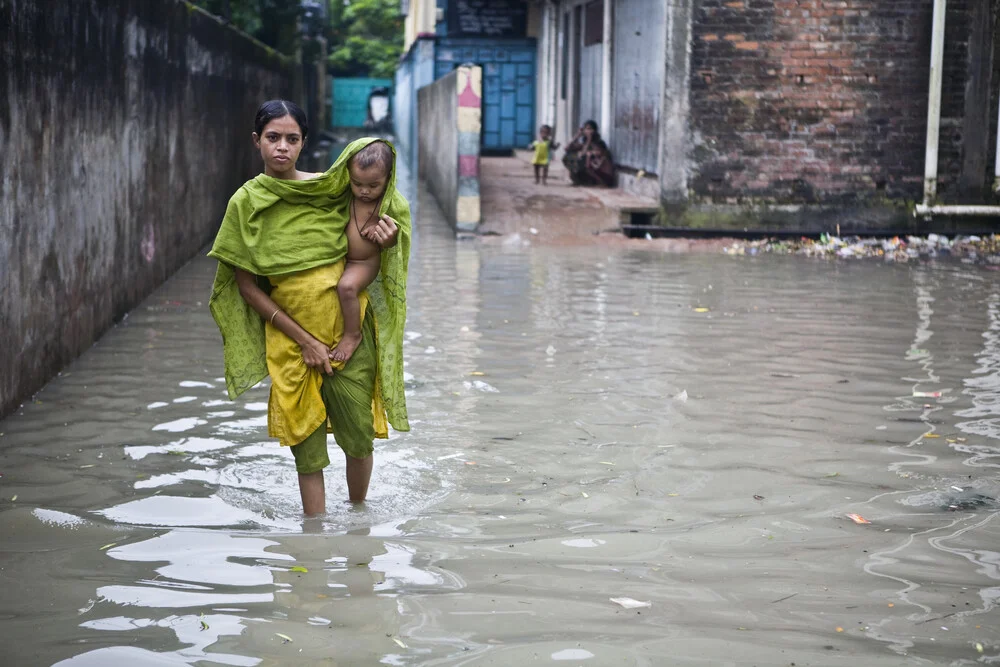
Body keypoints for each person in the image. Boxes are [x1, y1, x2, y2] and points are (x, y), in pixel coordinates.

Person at [208, 100, 410, 516]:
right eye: (273, 138)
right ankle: (313, 540)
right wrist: (306, 342)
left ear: (303, 144)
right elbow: (247, 288)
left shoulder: (330, 190)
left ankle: (359, 522)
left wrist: (386, 239)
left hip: (348, 340)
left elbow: (381, 210)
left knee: (358, 438)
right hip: (291, 345)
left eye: (292, 139)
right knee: (307, 450)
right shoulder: (245, 204)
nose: (282, 147)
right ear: (256, 142)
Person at [330, 141, 393, 364]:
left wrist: (385, 235)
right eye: (357, 183)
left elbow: (398, 238)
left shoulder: (388, 204)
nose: (364, 191)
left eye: (373, 185)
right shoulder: (343, 195)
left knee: (346, 287)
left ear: (388, 180)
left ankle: (352, 334)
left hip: (363, 263)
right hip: (339, 258)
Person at [562, 119, 615, 187]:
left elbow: (583, 155)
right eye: (586, 129)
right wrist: (577, 136)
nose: (587, 131)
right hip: (592, 171)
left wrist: (589, 139)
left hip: (604, 174)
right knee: (568, 157)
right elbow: (566, 149)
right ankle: (579, 180)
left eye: (589, 129)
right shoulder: (584, 142)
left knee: (583, 158)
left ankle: (601, 182)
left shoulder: (598, 143)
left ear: (594, 131)